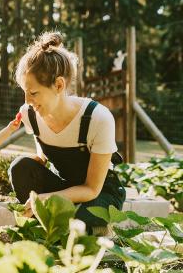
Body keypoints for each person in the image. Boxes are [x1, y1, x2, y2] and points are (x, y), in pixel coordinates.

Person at [9, 31, 126, 234]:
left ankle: (92, 229)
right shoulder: (30, 113)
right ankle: (45, 225)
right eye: (24, 91)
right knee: (20, 167)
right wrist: (39, 159)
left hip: (98, 194)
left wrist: (49, 199)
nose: (27, 100)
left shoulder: (98, 118)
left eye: (34, 92)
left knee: (72, 220)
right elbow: (42, 145)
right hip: (64, 186)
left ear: (59, 85)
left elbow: (91, 189)